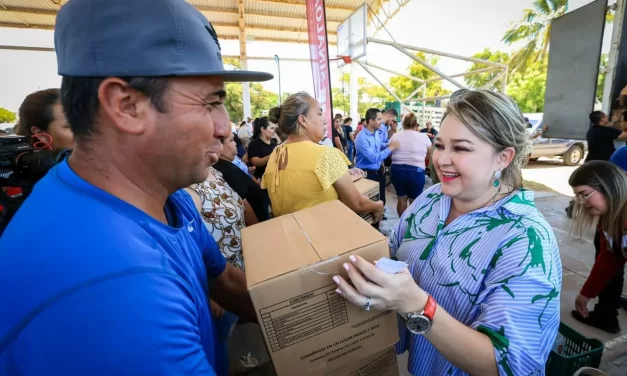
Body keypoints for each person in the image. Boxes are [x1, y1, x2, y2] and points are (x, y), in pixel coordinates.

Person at [0, 0, 274, 374]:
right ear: (126, 106)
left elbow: (223, 278)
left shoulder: (164, 196)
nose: (225, 128)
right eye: (210, 102)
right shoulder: (114, 288)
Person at [333, 89, 561, 376]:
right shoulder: (431, 199)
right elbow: (393, 248)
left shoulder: (526, 239)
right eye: (439, 145)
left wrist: (417, 304)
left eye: (461, 148)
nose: (441, 160)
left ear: (503, 157)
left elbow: (511, 366)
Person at [261, 92, 384, 220]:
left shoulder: (276, 153)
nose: (324, 120)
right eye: (319, 114)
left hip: (292, 234)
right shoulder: (325, 154)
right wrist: (378, 206)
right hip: (323, 234)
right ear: (303, 120)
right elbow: (356, 203)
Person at [569, 161, 626, 334]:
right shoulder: (610, 219)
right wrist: (586, 293)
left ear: (609, 187)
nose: (581, 202)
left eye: (584, 194)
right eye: (578, 196)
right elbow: (609, 259)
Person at [214, 131, 269, 222]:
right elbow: (245, 206)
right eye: (231, 140)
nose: (235, 143)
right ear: (219, 145)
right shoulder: (226, 170)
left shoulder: (228, 163)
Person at [355, 108, 400, 207]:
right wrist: (390, 148)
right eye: (379, 119)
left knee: (381, 201)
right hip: (367, 175)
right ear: (371, 121)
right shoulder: (362, 137)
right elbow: (373, 158)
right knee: (371, 205)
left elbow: (379, 145)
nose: (381, 122)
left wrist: (387, 144)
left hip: (378, 172)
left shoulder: (375, 133)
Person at [389, 112, 432, 216]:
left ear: (403, 124)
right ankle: (411, 227)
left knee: (401, 198)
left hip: (397, 170)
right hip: (416, 172)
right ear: (416, 124)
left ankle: (401, 225)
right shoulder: (423, 137)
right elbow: (429, 153)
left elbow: (390, 152)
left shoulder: (395, 136)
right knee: (415, 201)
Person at [247, 116, 278, 180]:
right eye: (272, 128)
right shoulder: (254, 144)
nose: (274, 131)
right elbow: (256, 162)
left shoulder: (274, 142)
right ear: (263, 129)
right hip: (262, 180)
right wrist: (273, 154)